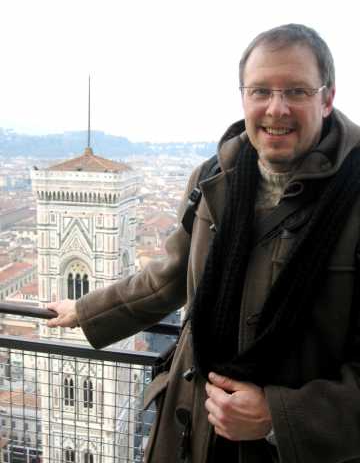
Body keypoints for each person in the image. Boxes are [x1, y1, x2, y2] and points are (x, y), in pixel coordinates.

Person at [47, 23, 360, 463]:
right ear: (243, 98)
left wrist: (279, 416)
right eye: (261, 91)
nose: (276, 108)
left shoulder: (354, 195)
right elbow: (170, 275)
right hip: (194, 428)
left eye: (296, 91)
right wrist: (86, 309)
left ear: (327, 98)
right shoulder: (215, 178)